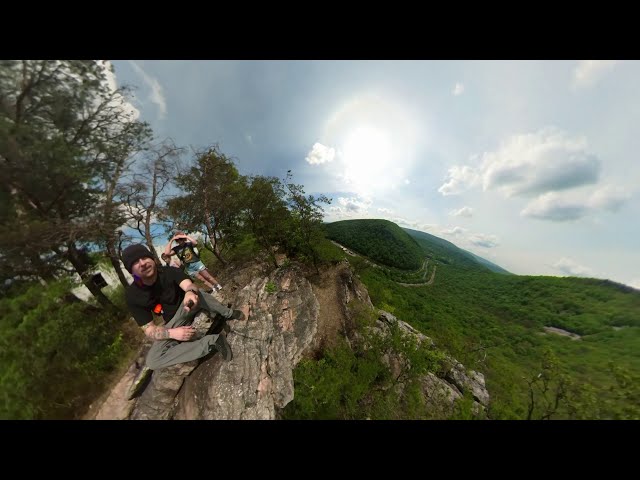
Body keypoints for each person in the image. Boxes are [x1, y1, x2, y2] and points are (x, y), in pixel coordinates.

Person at [122, 243, 248, 371]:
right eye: (135, 262)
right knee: (153, 361)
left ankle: (229, 313)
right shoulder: (133, 295)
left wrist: (189, 292)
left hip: (189, 304)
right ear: (131, 271)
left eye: (144, 257)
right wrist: (172, 333)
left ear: (152, 258)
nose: (142, 263)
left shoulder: (169, 271)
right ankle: (213, 342)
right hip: (173, 322)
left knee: (199, 293)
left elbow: (189, 285)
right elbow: (149, 329)